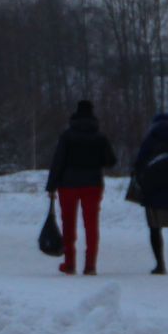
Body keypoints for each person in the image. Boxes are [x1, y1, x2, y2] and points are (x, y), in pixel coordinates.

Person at [46, 99, 116, 276]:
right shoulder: (100, 137)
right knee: (91, 225)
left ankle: (69, 264)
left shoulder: (67, 136)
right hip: (93, 185)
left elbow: (58, 162)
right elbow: (111, 161)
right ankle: (90, 265)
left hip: (68, 185)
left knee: (69, 223)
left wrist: (51, 185)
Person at [132, 112, 168, 275]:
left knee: (155, 229)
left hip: (154, 192)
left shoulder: (151, 140)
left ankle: (160, 265)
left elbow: (138, 164)